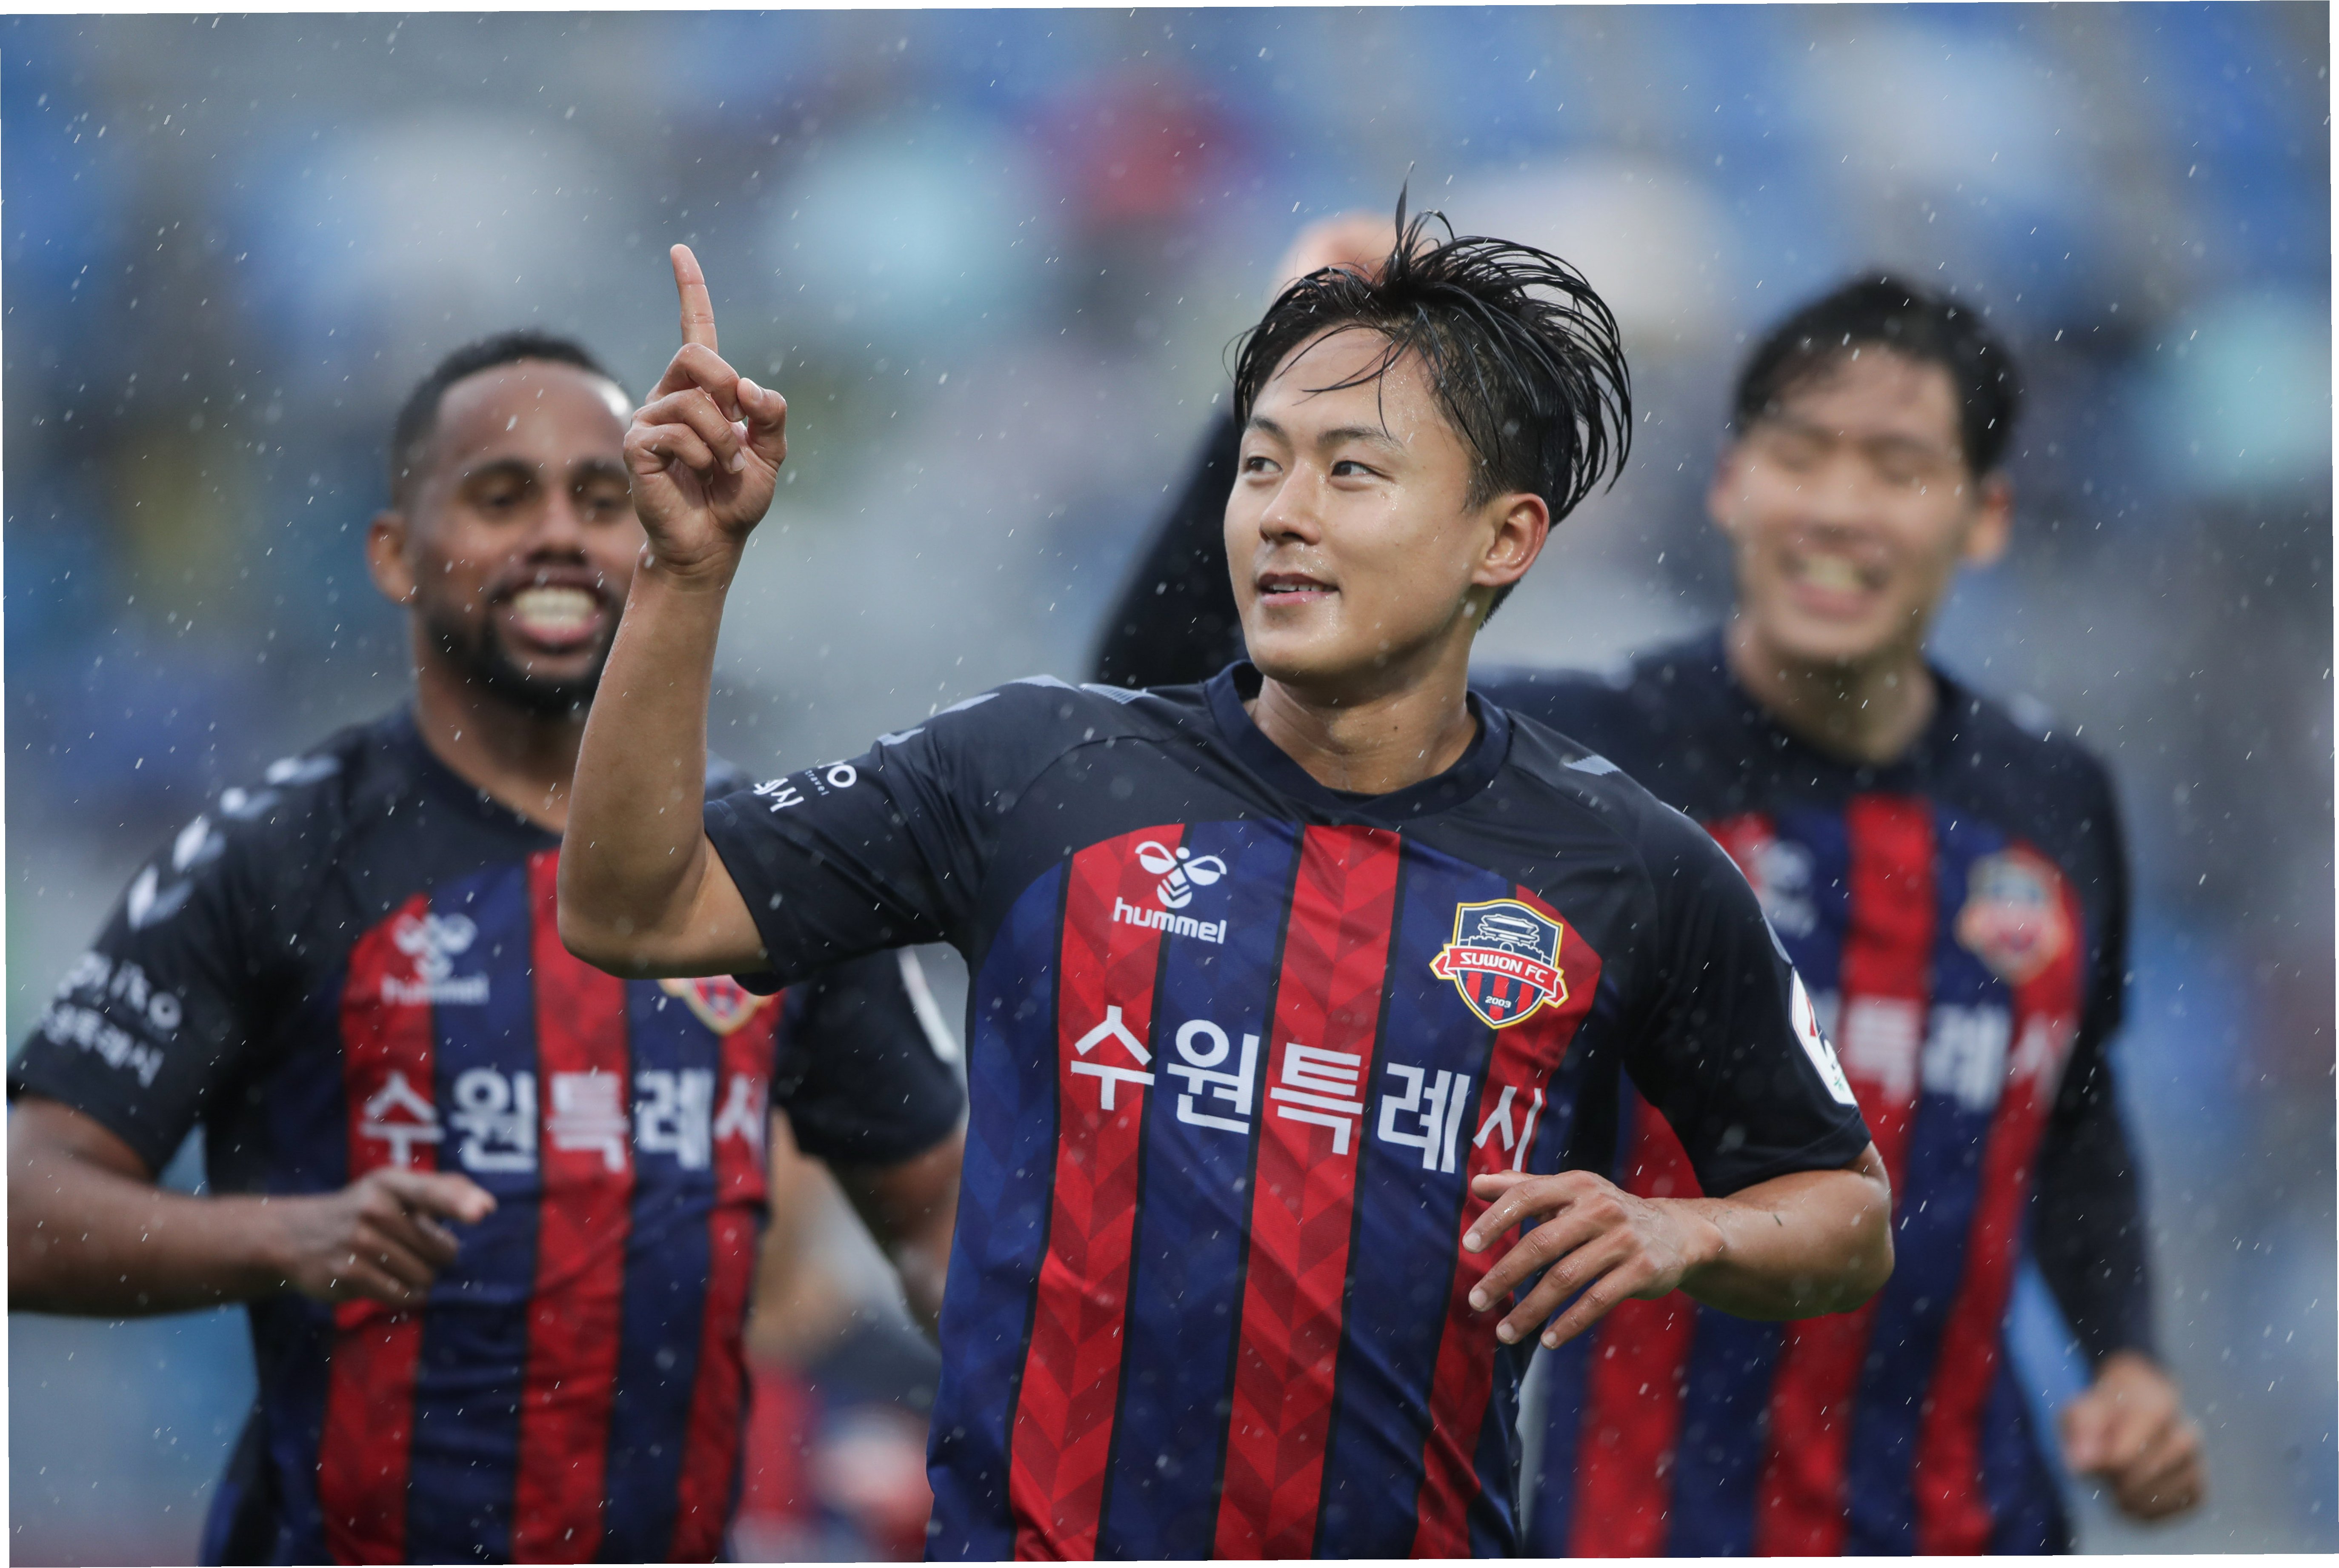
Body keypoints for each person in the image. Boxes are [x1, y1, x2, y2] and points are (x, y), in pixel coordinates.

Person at [556, 213, 1896, 1559]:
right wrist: (686, 574)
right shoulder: (1036, 770)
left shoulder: (1627, 867)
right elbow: (633, 906)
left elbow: (1846, 1215)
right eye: (1262, 464)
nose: (1283, 512)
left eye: (1352, 470)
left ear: (1504, 535)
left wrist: (1680, 1232)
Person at [1098, 238, 2206, 1551]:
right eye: (1801, 455)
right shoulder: (1585, 768)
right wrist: (1286, 391)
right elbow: (1169, 716)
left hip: (1978, 1526)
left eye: (1896, 468)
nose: (1838, 508)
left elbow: (2069, 1109)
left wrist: (2126, 1356)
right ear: (1732, 484)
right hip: (1641, 1525)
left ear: (1986, 517)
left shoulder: (2051, 800)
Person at [6, 331, 966, 1565]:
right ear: (393, 554)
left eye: (602, 499)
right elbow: (21, 1207)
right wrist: (288, 1238)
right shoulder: (280, 854)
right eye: (503, 497)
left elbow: (939, 1226)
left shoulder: (767, 863)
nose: (559, 534)